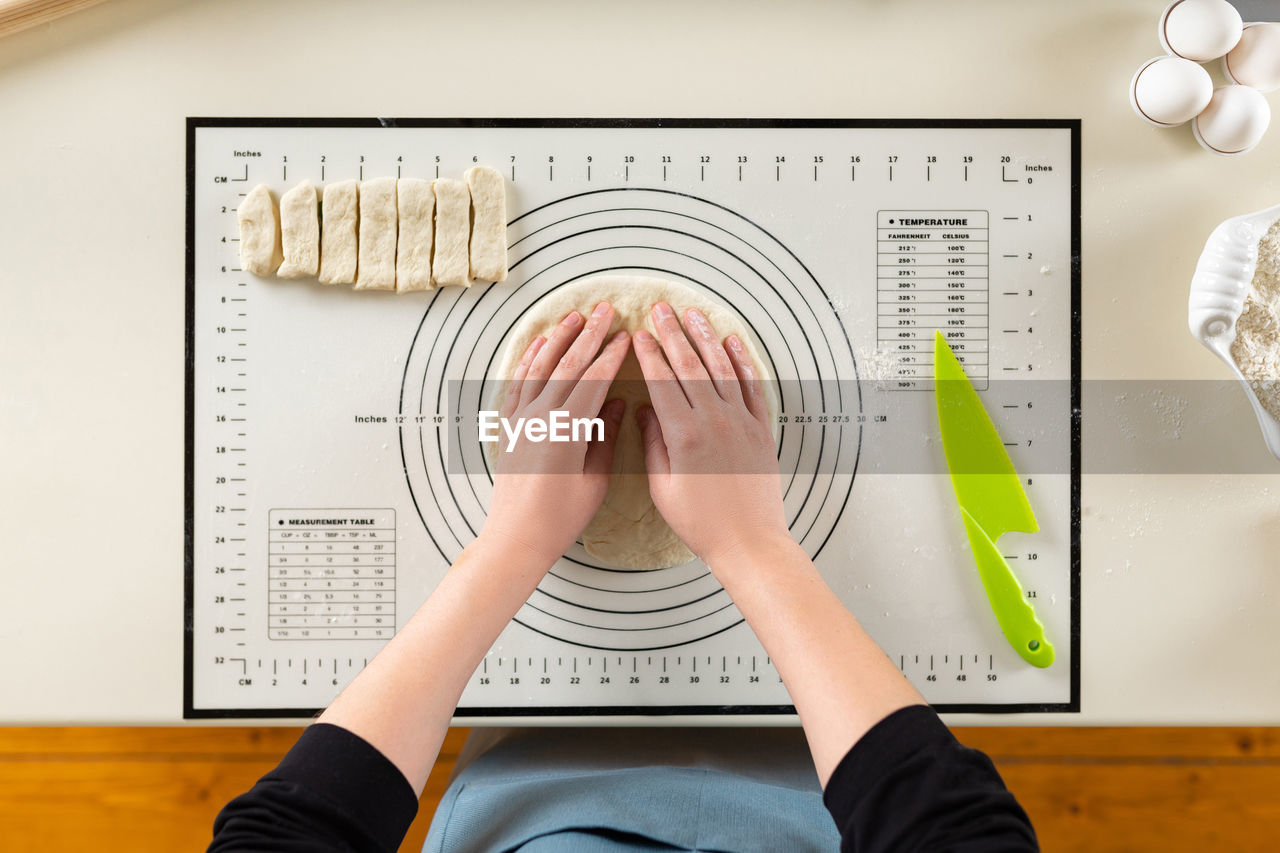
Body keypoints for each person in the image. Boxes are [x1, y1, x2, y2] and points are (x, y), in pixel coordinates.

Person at [209, 301, 1038, 852]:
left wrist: (516, 537)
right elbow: (951, 829)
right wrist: (752, 544)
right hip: (827, 787)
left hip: (529, 785)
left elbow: (290, 835)